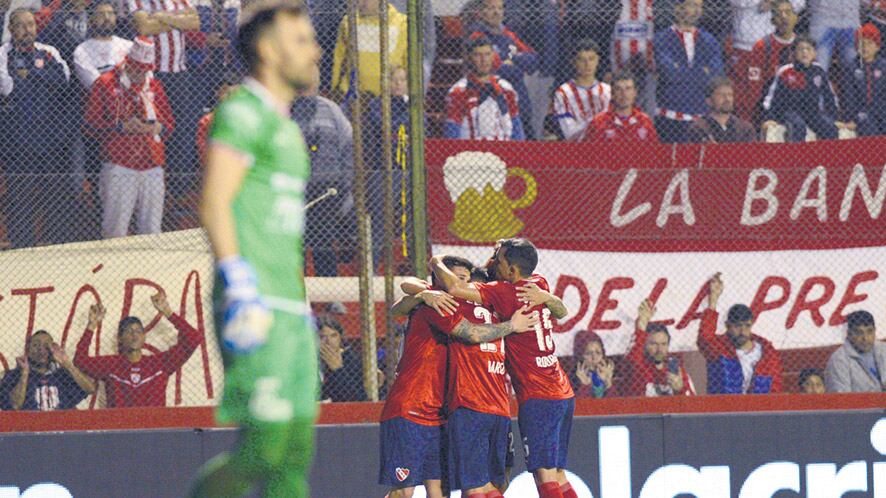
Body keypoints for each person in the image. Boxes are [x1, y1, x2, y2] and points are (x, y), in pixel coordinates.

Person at [188, 2, 321, 497]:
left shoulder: (288, 130)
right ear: (269, 49)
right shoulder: (241, 112)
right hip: (253, 302)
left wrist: (299, 305)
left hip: (291, 311)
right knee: (262, 448)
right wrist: (239, 283)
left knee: (293, 455)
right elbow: (214, 203)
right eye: (302, 40)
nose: (315, 49)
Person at [427, 239, 580, 498]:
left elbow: (454, 287)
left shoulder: (504, 292)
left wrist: (435, 262)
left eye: (499, 261)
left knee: (543, 476)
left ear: (511, 271)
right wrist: (548, 297)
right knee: (558, 474)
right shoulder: (538, 283)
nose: (494, 264)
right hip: (562, 391)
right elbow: (561, 311)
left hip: (538, 396)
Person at [386, 256, 537, 498]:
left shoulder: (478, 307)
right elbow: (404, 294)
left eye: (464, 280)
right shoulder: (435, 304)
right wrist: (424, 294)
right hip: (412, 407)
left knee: (442, 490)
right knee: (404, 490)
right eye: (454, 278)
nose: (459, 285)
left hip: (445, 411)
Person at [84, 36, 175, 238]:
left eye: (145, 70)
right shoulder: (105, 83)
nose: (140, 74)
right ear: (128, 63)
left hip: (152, 162)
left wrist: (156, 127)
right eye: (136, 69)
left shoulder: (154, 85)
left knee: (152, 229)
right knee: (116, 228)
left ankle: (150, 267)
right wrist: (121, 127)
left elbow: (170, 125)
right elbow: (90, 126)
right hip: (119, 163)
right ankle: (114, 268)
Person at [0, 8, 73, 248]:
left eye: (30, 24)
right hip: (17, 143)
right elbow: (8, 87)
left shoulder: (49, 51)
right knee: (19, 198)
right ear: (11, 29)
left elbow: (63, 80)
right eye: (20, 25)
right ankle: (22, 247)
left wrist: (30, 75)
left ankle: (56, 246)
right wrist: (41, 78)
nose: (27, 29)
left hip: (50, 141)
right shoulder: (2, 54)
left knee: (54, 197)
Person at [124, 0, 200, 200]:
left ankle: (176, 190)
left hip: (179, 74)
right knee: (154, 130)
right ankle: (153, 188)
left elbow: (195, 22)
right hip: (153, 76)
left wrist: (160, 16)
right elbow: (143, 26)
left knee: (181, 131)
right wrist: (177, 19)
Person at [72, 293, 201, 407]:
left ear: (144, 337)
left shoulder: (160, 363)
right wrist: (91, 326)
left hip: (154, 429)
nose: (134, 335)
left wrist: (168, 312)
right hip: (120, 429)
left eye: (139, 331)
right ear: (120, 339)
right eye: (129, 331)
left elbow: (194, 338)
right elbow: (80, 360)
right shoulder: (111, 364)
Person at [292, 65, 354, 277]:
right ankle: (294, 295)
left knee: (324, 242)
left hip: (326, 191)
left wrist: (343, 183)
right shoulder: (281, 110)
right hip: (293, 188)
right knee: (293, 243)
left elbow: (348, 146)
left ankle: (330, 295)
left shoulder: (331, 109)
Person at [698, 273, 784, 394]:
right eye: (737, 326)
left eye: (747, 326)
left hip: (759, 409)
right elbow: (704, 338)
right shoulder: (720, 349)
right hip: (725, 409)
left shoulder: (767, 353)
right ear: (727, 326)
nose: (743, 331)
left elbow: (776, 387)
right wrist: (713, 299)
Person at [463, 0, 538, 138]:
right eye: (491, 8)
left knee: (529, 140)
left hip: (520, 101)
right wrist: (516, 63)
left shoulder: (508, 35)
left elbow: (533, 60)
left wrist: (513, 59)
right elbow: (497, 68)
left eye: (500, 8)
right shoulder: (477, 36)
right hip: (494, 100)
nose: (497, 12)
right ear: (482, 12)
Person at [653, 0, 725, 143]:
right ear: (678, 8)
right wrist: (702, 71)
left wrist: (682, 71)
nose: (698, 10)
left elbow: (716, 76)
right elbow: (670, 74)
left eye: (700, 6)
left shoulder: (709, 40)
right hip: (671, 117)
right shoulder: (661, 39)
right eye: (692, 5)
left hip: (702, 118)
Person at [364, 64, 413, 271]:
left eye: (402, 80)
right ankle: (372, 269)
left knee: (409, 223)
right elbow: (386, 126)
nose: (398, 84)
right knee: (379, 223)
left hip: (407, 170)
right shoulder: (377, 104)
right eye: (394, 80)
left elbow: (420, 127)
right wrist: (405, 116)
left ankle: (409, 266)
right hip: (381, 170)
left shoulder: (411, 105)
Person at [727, 0, 806, 122]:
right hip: (744, 43)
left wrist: (775, 2)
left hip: (773, 43)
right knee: (743, 96)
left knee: (772, 89)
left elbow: (799, 3)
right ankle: (745, 133)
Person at [761, 36, 841, 142]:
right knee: (798, 126)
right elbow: (772, 97)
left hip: (813, 112)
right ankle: (797, 156)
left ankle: (828, 156)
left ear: (814, 53)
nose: (805, 52)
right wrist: (769, 118)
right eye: (800, 49)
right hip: (790, 112)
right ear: (793, 53)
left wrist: (833, 117)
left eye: (809, 49)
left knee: (830, 128)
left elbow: (829, 96)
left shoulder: (819, 71)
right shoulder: (785, 71)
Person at [444, 36, 524, 141]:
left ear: (493, 56)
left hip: (503, 151)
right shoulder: (458, 91)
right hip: (470, 153)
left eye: (487, 54)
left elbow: (517, 129)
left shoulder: (506, 89)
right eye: (478, 55)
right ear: (469, 58)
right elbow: (452, 132)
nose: (483, 60)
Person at [330, 0, 407, 99]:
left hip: (389, 97)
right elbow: (338, 58)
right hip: (352, 96)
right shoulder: (349, 21)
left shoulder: (402, 24)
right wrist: (334, 89)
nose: (359, 3)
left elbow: (408, 61)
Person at [0, 330, 95, 410]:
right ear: (28, 349)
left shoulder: (62, 375)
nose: (41, 349)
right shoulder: (14, 375)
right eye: (36, 345)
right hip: (28, 429)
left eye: (46, 346)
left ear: (52, 350)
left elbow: (90, 389)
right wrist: (25, 374)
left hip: (62, 428)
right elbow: (15, 405)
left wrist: (68, 364)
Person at [620, 299, 696, 397]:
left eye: (663, 344)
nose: (659, 349)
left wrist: (680, 389)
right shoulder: (638, 368)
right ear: (644, 345)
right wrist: (641, 327)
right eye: (653, 344)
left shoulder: (678, 372)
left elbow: (691, 405)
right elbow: (633, 360)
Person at [550, 39, 611, 141]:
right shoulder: (563, 93)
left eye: (591, 59)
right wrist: (596, 124)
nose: (587, 64)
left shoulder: (607, 90)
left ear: (598, 61)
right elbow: (570, 133)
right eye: (582, 60)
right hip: (577, 148)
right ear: (573, 62)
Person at [581, 70, 658, 143]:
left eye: (628, 88)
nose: (624, 94)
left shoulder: (644, 121)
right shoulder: (598, 122)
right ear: (612, 94)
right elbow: (587, 153)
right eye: (618, 89)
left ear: (635, 93)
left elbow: (655, 152)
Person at [71, 1, 131, 88]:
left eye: (110, 13)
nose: (107, 18)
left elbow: (143, 76)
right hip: (102, 98)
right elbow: (96, 85)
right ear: (92, 19)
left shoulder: (128, 45)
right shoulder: (82, 50)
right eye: (101, 14)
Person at [825, 310, 886, 392]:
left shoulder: (883, 350)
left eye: (870, 331)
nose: (865, 338)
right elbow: (841, 397)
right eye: (859, 332)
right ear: (849, 334)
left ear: (875, 331)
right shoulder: (839, 360)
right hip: (861, 404)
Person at [842, 23, 886, 136]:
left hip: (881, 110)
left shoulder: (883, 66)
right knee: (867, 124)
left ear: (877, 47)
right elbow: (848, 97)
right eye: (862, 43)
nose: (865, 47)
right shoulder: (851, 68)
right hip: (860, 114)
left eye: (870, 43)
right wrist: (854, 117)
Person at [688, 77, 756, 143]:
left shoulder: (744, 128)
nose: (727, 99)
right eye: (721, 95)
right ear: (709, 101)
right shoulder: (699, 128)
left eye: (730, 95)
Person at [317, 316, 365, 402]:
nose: (328, 341)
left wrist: (338, 370)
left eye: (333, 336)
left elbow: (356, 396)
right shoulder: (310, 360)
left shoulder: (351, 358)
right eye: (322, 337)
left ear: (340, 337)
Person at [195, 72, 239, 166]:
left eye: (234, 93)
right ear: (218, 93)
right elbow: (202, 148)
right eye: (226, 92)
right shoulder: (208, 120)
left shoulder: (246, 119)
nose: (229, 97)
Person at [809, 0, 861, 72]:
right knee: (820, 64)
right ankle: (818, 82)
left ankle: (852, 81)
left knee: (852, 63)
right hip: (823, 18)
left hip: (850, 20)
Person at [569, 329, 614, 399]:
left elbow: (618, 403)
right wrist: (585, 385)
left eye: (598, 352)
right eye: (588, 353)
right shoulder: (572, 378)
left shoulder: (611, 372)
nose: (594, 357)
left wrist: (608, 382)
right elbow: (580, 406)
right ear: (581, 355)